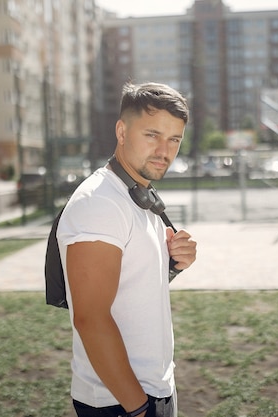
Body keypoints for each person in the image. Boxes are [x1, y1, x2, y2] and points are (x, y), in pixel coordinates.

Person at [56, 82, 197, 417]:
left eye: (174, 139)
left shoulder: (135, 196)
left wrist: (174, 264)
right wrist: (138, 409)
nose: (165, 150)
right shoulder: (100, 203)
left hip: (151, 389)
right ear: (121, 130)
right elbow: (90, 318)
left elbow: (131, 288)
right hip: (119, 402)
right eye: (152, 135)